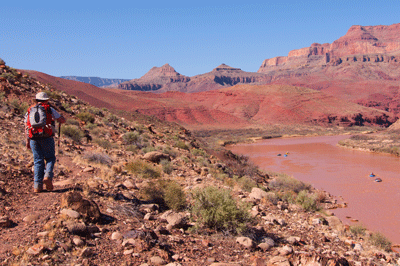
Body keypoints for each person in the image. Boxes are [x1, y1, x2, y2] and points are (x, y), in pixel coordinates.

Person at [24, 92, 66, 193]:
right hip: (47, 136)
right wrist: (62, 118)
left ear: (36, 99)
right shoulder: (49, 109)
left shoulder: (30, 110)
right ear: (46, 100)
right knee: (50, 158)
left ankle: (37, 186)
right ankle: (48, 176)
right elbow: (62, 120)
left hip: (33, 137)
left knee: (38, 160)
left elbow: (26, 125)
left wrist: (27, 140)